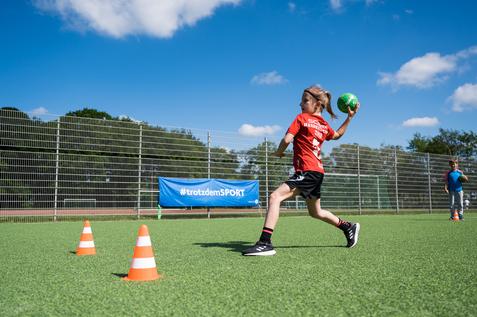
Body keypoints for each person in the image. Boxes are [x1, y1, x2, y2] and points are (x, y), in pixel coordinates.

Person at [242, 85, 360, 256]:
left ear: (317, 103)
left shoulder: (302, 118)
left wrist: (279, 152)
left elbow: (287, 139)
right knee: (316, 212)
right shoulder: (324, 125)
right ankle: (348, 226)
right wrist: (349, 118)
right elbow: (337, 135)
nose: (301, 104)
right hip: (317, 172)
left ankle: (265, 243)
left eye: (305, 101)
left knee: (275, 196)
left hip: (307, 171)